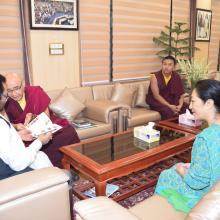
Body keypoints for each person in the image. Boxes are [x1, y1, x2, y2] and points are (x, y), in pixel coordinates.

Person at [155, 79, 220, 212]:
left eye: (193, 101)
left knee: (167, 174)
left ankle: (160, 211)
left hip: (208, 195)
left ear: (209, 103)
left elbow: (196, 183)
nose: (190, 106)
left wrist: (181, 170)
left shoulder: (205, 138)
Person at [4, 73, 80, 168]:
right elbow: (6, 124)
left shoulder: (35, 91)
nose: (14, 94)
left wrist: (32, 119)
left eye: (17, 88)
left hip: (44, 125)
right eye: (9, 91)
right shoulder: (4, 101)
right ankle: (54, 170)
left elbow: (46, 117)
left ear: (23, 84)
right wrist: (16, 126)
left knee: (69, 132)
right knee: (38, 146)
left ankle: (75, 164)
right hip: (25, 134)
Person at [0, 74, 53, 180]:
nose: (12, 95)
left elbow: (4, 140)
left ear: (23, 84)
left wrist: (18, 135)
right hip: (12, 172)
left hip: (15, 155)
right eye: (7, 94)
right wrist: (39, 142)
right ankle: (59, 182)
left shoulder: (35, 92)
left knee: (41, 156)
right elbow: (17, 163)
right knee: (41, 157)